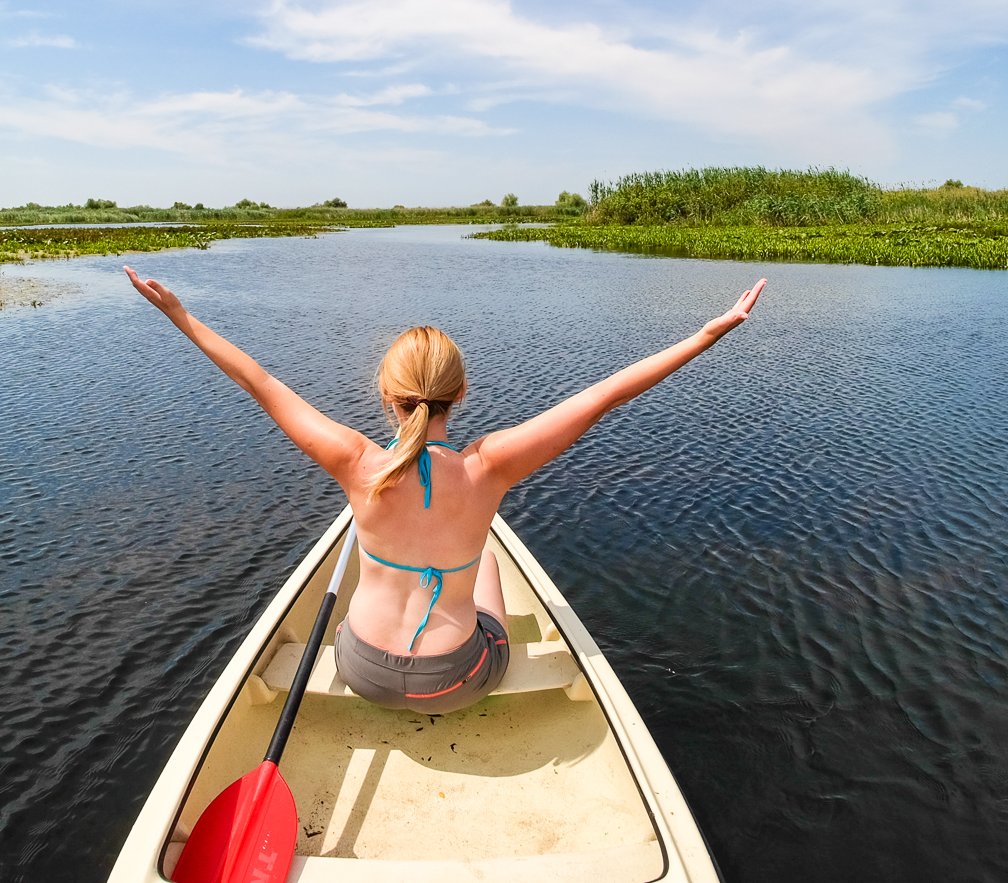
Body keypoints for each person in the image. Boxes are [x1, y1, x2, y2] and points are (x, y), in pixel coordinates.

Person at [124, 265, 768, 712]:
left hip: (362, 673)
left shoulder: (357, 463)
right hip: (455, 681)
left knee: (374, 588)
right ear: (459, 396)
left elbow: (259, 382)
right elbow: (606, 394)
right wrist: (712, 331)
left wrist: (180, 314)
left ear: (386, 396)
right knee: (486, 558)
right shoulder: (491, 466)